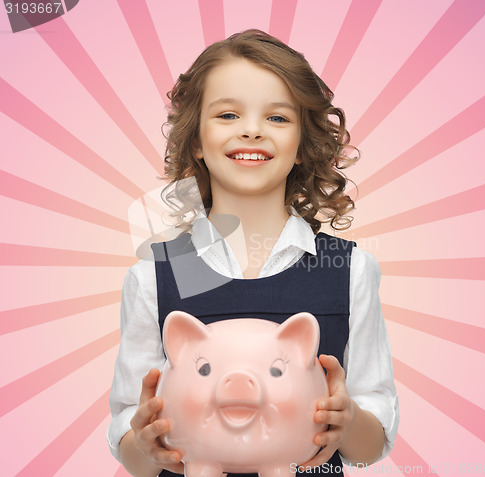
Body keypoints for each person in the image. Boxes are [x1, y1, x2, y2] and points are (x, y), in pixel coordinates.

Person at [107, 29, 399, 477]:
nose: (252, 129)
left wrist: (348, 422)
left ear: (303, 145)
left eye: (278, 118)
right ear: (197, 140)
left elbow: (370, 447)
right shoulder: (157, 275)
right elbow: (131, 442)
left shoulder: (349, 270)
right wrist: (145, 444)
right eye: (227, 114)